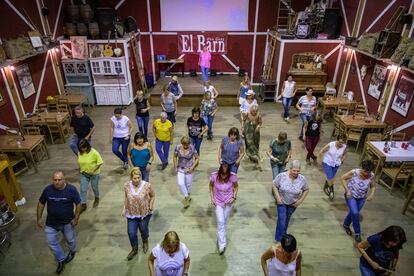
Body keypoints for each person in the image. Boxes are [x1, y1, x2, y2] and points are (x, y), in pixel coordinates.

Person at [37, 171, 81, 274]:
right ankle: (61, 259)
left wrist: (76, 218)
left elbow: (78, 204)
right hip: (51, 223)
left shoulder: (71, 190)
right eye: (55, 180)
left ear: (64, 179)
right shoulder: (47, 190)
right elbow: (41, 203)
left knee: (70, 240)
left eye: (59, 180)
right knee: (51, 242)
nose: (57, 182)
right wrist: (39, 218)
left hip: (67, 223)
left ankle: (72, 251)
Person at [272, 160, 309, 242]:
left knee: (286, 219)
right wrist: (277, 197)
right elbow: (274, 185)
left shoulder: (302, 179)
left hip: (293, 203)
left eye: (298, 171)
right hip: (282, 202)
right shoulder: (282, 176)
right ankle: (279, 240)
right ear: (290, 169)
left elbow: (306, 189)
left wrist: (299, 201)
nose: (296, 173)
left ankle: (284, 235)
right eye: (294, 171)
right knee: (282, 219)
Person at [123, 168, 155, 260]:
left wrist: (151, 205)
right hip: (131, 213)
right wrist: (124, 208)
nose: (137, 180)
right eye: (135, 178)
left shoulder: (147, 185)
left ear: (141, 177)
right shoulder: (126, 186)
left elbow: (153, 195)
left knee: (143, 229)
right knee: (131, 233)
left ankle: (145, 241)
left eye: (138, 177)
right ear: (131, 178)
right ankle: (134, 249)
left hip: (144, 213)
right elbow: (126, 197)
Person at [341, 160, 376, 242]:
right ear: (361, 168)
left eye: (369, 171)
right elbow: (342, 178)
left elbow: (373, 186)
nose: (367, 173)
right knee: (356, 213)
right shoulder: (354, 172)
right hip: (351, 196)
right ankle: (358, 233)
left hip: (362, 198)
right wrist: (347, 190)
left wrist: (371, 194)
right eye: (365, 171)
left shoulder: (372, 176)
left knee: (353, 213)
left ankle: (346, 225)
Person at [209, 162, 238, 254]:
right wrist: (212, 198)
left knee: (224, 221)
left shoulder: (233, 176)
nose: (223, 177)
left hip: (228, 202)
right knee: (221, 221)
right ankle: (222, 245)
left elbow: (236, 187)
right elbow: (210, 186)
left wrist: (234, 197)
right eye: (222, 175)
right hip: (218, 202)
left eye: (225, 175)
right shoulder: (214, 176)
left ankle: (221, 237)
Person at [77, 139, 103, 213]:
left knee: (94, 187)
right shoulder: (80, 152)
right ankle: (83, 204)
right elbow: (79, 161)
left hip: (94, 174)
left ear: (87, 146)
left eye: (83, 148)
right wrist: (80, 168)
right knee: (83, 189)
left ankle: (97, 198)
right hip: (84, 173)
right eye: (81, 148)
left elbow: (100, 162)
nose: (82, 149)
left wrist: (93, 170)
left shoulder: (94, 152)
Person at [319, 134, 347, 200]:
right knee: (330, 177)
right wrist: (320, 161)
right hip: (327, 162)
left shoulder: (344, 147)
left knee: (331, 178)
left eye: (342, 142)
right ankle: (331, 191)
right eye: (339, 142)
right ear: (337, 140)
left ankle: (326, 185)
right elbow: (321, 151)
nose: (341, 144)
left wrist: (342, 161)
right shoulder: (331, 144)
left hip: (336, 164)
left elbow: (345, 154)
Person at [173, 136, 199, 208]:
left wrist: (192, 167)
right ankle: (187, 197)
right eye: (184, 144)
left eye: (187, 144)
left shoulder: (192, 148)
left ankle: (187, 196)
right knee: (180, 183)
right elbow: (175, 157)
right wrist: (175, 166)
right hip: (180, 168)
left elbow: (197, 158)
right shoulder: (178, 147)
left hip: (189, 169)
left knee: (188, 184)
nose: (185, 146)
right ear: (181, 143)